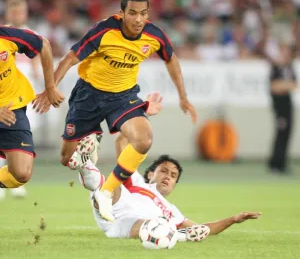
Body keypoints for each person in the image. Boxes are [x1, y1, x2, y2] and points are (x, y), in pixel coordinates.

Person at [33, 0, 197, 222]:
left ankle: (106, 191)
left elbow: (171, 58)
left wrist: (183, 96)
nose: (138, 19)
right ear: (121, 13)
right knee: (66, 158)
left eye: (143, 14)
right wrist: (50, 88)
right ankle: (86, 158)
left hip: (123, 96)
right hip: (89, 94)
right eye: (132, 13)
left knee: (143, 139)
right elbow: (70, 57)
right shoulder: (104, 30)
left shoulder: (154, 35)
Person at [91, 155, 261, 240]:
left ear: (175, 184)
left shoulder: (172, 210)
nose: (168, 177)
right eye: (163, 171)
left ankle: (170, 234)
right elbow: (125, 150)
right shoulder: (138, 182)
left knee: (151, 226)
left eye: (173, 176)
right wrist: (142, 118)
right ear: (150, 173)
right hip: (116, 209)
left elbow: (201, 229)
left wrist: (232, 219)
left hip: (130, 226)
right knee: (109, 183)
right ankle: (86, 165)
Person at [0, 25, 64, 191]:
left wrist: (50, 87)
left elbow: (43, 44)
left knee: (22, 173)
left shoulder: (6, 36)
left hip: (12, 108)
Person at [0, 0, 40, 199]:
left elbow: (40, 54)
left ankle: (14, 180)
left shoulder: (28, 34)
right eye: (13, 12)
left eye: (20, 12)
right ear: (7, 13)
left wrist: (42, 81)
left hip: (22, 93)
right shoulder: (5, 34)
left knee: (16, 134)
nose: (17, 15)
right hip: (6, 90)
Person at [268, 45, 298, 174]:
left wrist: (284, 86)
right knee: (280, 133)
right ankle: (275, 163)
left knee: (287, 133)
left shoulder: (290, 67)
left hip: (288, 104)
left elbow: (295, 84)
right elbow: (274, 86)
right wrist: (287, 86)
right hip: (279, 105)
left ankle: (282, 163)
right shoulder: (276, 67)